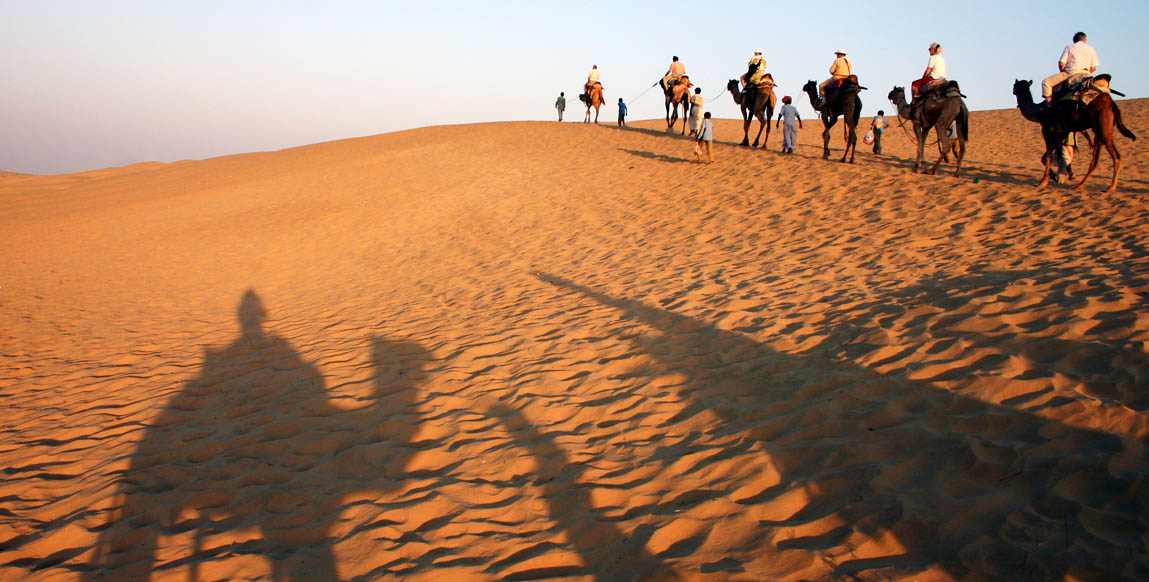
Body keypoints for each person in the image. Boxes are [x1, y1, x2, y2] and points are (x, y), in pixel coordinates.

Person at [1041, 32, 1099, 106]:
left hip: (1071, 72)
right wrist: (1087, 72)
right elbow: (1094, 67)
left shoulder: (1070, 47)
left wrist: (1062, 71)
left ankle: (1049, 105)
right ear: (1085, 40)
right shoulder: (1091, 48)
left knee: (1046, 82)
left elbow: (1061, 63)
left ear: (1074, 40)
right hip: (1086, 73)